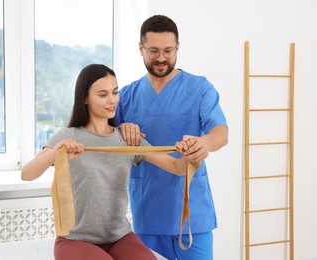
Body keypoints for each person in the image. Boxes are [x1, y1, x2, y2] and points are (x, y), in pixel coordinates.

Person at [21, 64, 195, 260]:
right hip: (76, 239)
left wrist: (191, 153)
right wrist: (56, 153)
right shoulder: (68, 136)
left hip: (119, 236)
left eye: (115, 92)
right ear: (85, 98)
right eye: (103, 95)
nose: (112, 100)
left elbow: (177, 167)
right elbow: (27, 174)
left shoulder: (127, 139)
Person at [116, 15, 229, 260]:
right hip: (147, 212)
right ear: (140, 48)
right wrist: (122, 129)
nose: (161, 58)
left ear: (177, 47)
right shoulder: (125, 96)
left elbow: (221, 132)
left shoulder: (200, 88)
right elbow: (102, 137)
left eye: (168, 50)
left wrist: (204, 143)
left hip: (192, 215)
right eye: (154, 50)